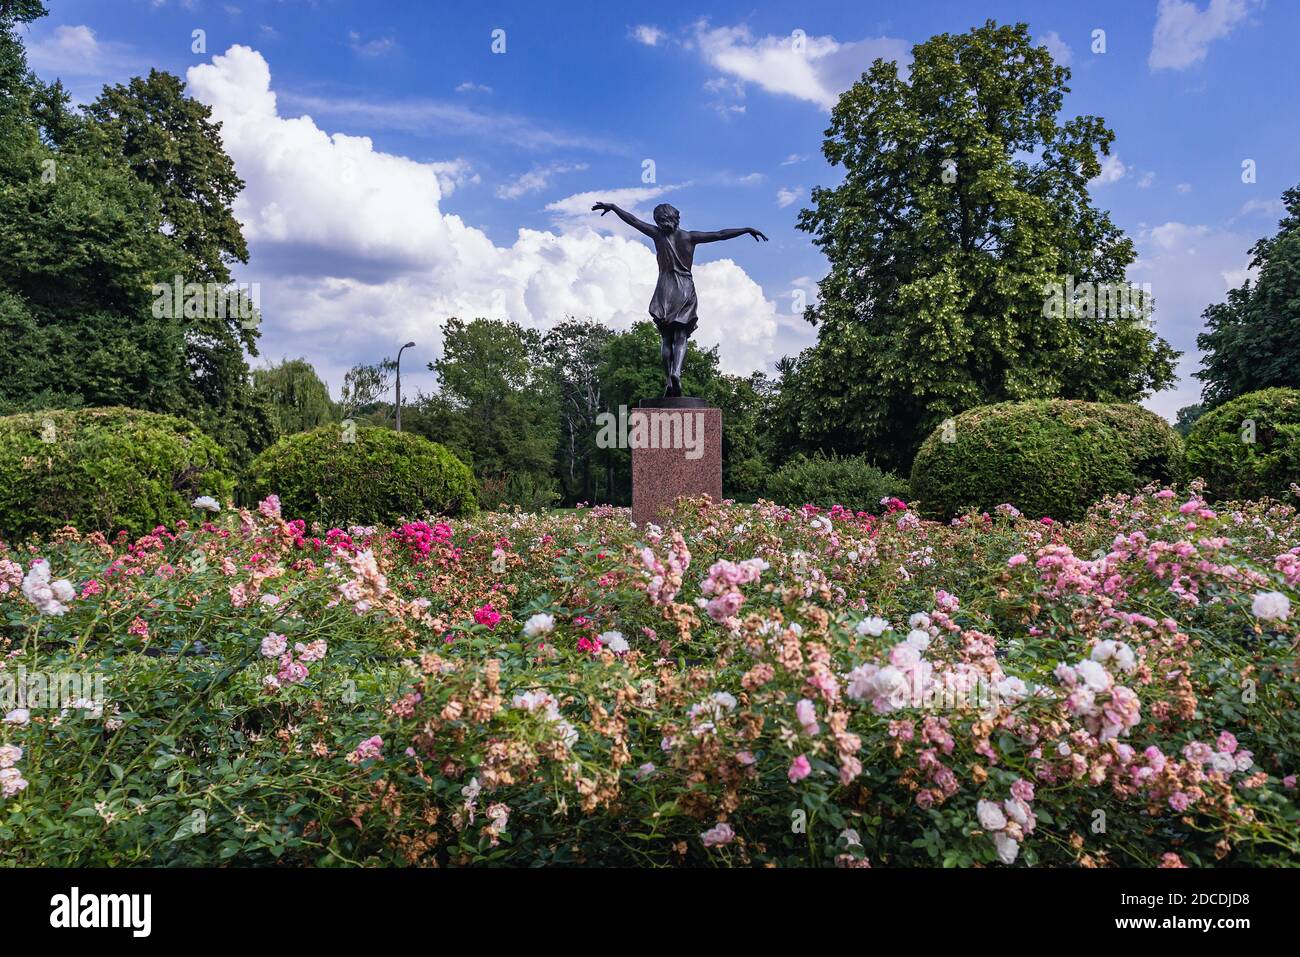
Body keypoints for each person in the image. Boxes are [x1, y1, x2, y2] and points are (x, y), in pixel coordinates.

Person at [591, 201, 767, 397]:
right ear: (677, 218)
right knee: (681, 336)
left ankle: (668, 380)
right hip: (684, 289)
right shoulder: (690, 237)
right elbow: (719, 234)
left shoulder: (657, 234)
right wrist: (746, 229)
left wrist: (614, 207)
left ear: (658, 220)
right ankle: (676, 372)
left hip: (665, 289)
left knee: (666, 337)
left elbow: (632, 220)